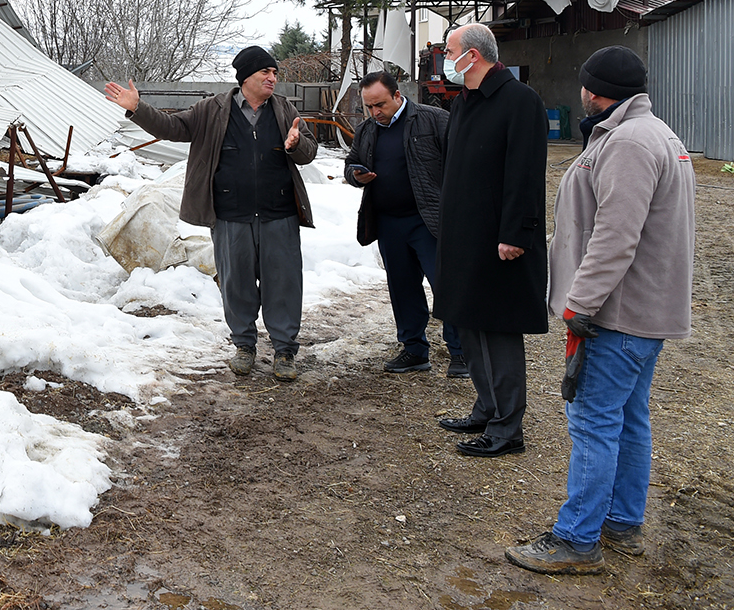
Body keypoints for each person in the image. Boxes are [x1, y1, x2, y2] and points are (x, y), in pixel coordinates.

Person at [505, 46, 695, 574]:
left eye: (584, 84)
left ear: (593, 89)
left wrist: (579, 303)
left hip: (616, 314)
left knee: (592, 422)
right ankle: (620, 523)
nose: (581, 92)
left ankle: (576, 539)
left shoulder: (630, 142)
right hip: (641, 312)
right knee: (628, 420)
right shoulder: (655, 134)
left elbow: (616, 236)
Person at [105, 45, 317, 380]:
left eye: (274, 73)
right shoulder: (211, 110)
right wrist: (137, 109)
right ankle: (244, 345)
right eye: (266, 72)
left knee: (284, 283)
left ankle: (285, 351)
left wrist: (297, 144)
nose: (272, 78)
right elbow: (172, 128)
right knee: (236, 283)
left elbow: (309, 151)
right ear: (246, 76)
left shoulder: (284, 109)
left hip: (279, 214)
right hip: (230, 215)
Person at [433, 24, 548, 458]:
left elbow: (524, 173)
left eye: (449, 50)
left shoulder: (520, 100)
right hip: (464, 237)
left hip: (501, 241)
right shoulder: (465, 102)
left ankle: (507, 427)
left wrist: (516, 234)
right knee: (469, 321)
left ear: (473, 56)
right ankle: (486, 406)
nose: (445, 58)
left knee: (497, 331)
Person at [343, 70, 464, 376]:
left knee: (447, 286)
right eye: (369, 107)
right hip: (388, 223)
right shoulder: (368, 129)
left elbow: (459, 164)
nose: (375, 112)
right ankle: (414, 350)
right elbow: (351, 163)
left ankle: (462, 353)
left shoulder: (433, 119)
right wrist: (355, 175)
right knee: (402, 288)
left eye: (380, 104)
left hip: (429, 220)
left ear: (398, 95)